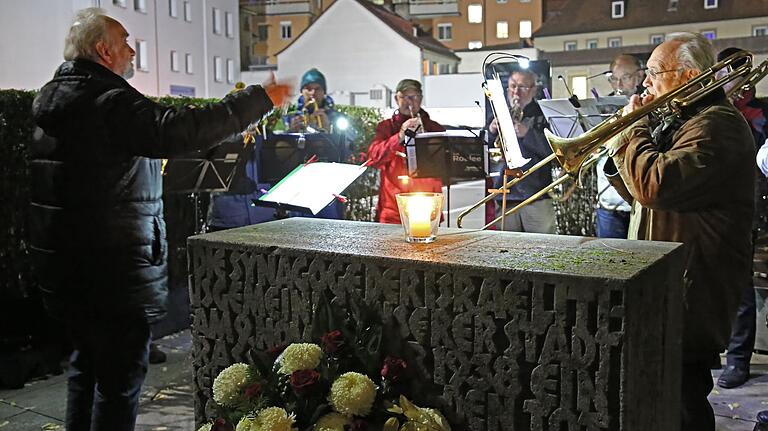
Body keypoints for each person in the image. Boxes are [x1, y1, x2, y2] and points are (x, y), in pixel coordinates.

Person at [28, 8, 275, 431]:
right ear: (103, 50)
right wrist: (256, 100)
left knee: (85, 369)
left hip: (67, 265)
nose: (131, 48)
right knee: (120, 381)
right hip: (112, 268)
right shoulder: (108, 100)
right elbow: (175, 130)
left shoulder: (57, 99)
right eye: (124, 40)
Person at [604, 32, 754, 431]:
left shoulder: (717, 125)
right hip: (672, 281)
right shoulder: (687, 120)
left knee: (683, 399)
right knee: (665, 391)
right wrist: (623, 157)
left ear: (687, 74)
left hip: (694, 285)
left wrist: (631, 132)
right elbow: (644, 193)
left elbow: (658, 185)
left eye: (654, 73)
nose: (645, 83)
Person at [716, 47, 768, 389]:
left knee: (744, 291)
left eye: (731, 76)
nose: (725, 83)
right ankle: (715, 351)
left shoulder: (759, 115)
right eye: (721, 76)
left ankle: (738, 359)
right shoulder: (711, 111)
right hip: (712, 209)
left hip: (750, 210)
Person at [367, 79, 444, 224]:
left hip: (427, 203)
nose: (410, 102)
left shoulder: (435, 128)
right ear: (397, 99)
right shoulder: (385, 127)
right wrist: (399, 136)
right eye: (404, 97)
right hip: (393, 207)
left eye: (414, 97)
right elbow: (373, 158)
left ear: (421, 99)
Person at [488, 69, 555, 233]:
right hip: (506, 192)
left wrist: (528, 134)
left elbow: (553, 152)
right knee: (508, 249)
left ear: (533, 89)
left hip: (536, 193)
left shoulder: (544, 114)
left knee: (541, 247)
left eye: (522, 87)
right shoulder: (498, 112)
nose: (515, 92)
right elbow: (486, 150)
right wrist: (491, 131)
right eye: (512, 86)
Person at [595, 54, 645, 238]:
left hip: (639, 199)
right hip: (608, 200)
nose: (619, 85)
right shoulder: (601, 108)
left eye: (626, 77)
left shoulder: (649, 103)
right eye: (614, 79)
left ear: (640, 76)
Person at [286, 68, 338, 132]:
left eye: (317, 89)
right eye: (308, 89)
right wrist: (290, 131)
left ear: (324, 92)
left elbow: (348, 138)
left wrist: (330, 128)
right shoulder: (290, 115)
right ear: (302, 92)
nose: (313, 93)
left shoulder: (335, 116)